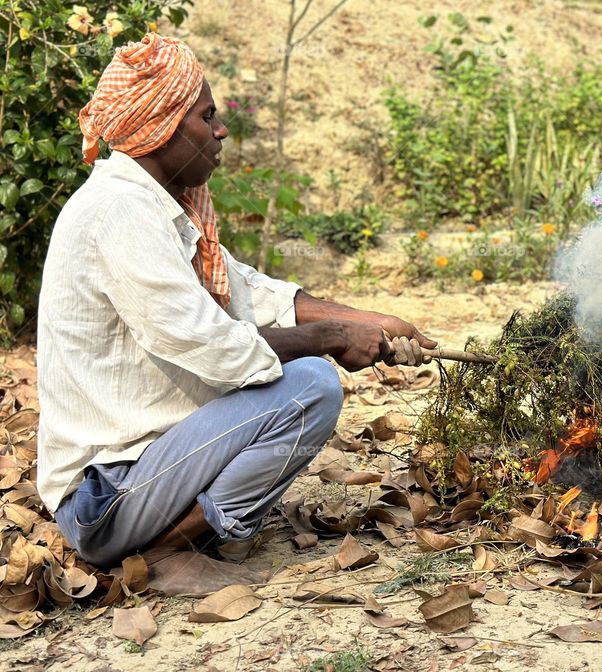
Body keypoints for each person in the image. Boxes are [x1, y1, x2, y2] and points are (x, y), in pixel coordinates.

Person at [36, 33, 435, 575]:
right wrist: (335, 338)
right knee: (312, 385)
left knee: (306, 375)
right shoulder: (119, 213)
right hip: (105, 497)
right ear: (159, 129)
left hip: (142, 473)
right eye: (206, 117)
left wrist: (368, 321)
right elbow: (210, 343)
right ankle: (168, 549)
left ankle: (191, 529)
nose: (221, 130)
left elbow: (249, 290)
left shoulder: (157, 207)